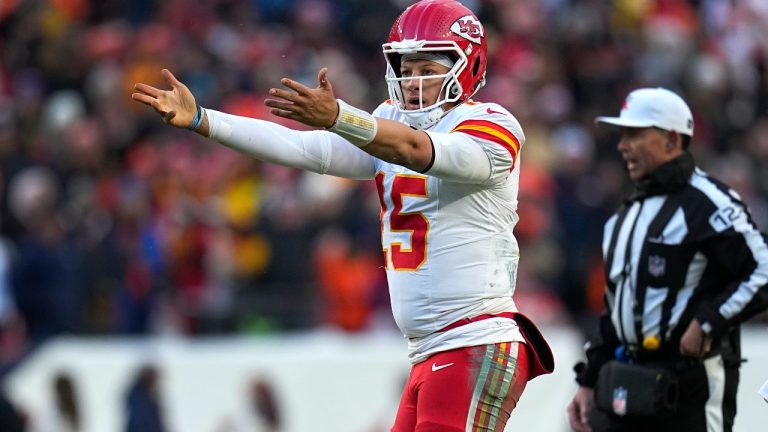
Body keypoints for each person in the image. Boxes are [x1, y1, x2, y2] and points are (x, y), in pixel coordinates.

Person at [131, 0, 554, 430]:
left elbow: (415, 150)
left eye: (425, 67)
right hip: (431, 349)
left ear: (468, 65)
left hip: (474, 340)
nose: (412, 82)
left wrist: (339, 116)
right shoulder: (389, 122)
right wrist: (204, 119)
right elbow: (303, 149)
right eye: (405, 69)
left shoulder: (491, 124)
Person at [566, 87, 768, 432]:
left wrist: (708, 320)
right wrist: (588, 379)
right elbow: (615, 308)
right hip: (629, 381)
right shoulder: (623, 217)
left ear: (672, 140)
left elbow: (762, 270)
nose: (622, 145)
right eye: (621, 135)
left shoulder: (710, 203)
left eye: (634, 134)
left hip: (692, 386)